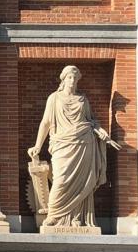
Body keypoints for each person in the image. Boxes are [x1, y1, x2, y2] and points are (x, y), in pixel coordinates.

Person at [28, 65, 120, 228]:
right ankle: (54, 215)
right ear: (63, 79)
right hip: (62, 143)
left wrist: (101, 132)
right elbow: (46, 122)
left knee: (83, 182)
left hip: (84, 143)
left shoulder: (83, 99)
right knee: (61, 180)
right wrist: (37, 145)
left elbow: (90, 122)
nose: (72, 80)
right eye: (69, 77)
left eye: (75, 78)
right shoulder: (54, 98)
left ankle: (77, 218)